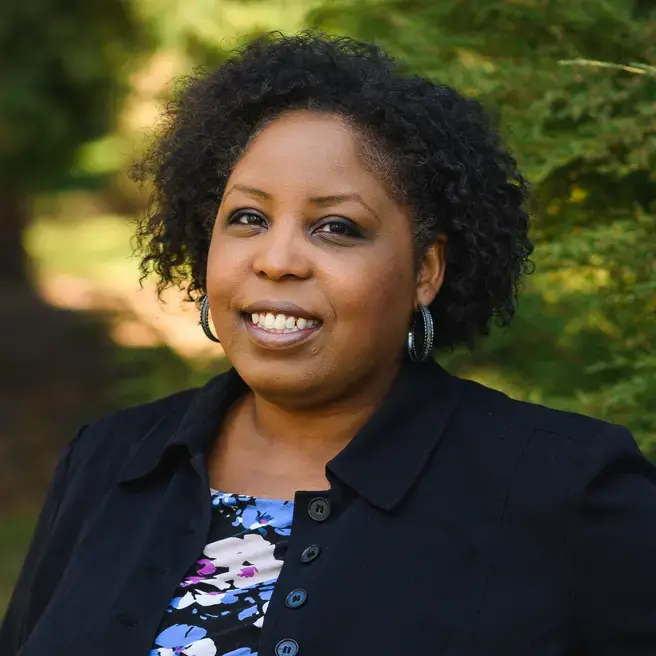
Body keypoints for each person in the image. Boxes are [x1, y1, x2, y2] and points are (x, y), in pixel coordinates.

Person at [2, 31, 655, 656]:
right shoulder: (110, 460)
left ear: (425, 271)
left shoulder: (568, 489)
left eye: (336, 227)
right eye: (248, 219)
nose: (277, 260)